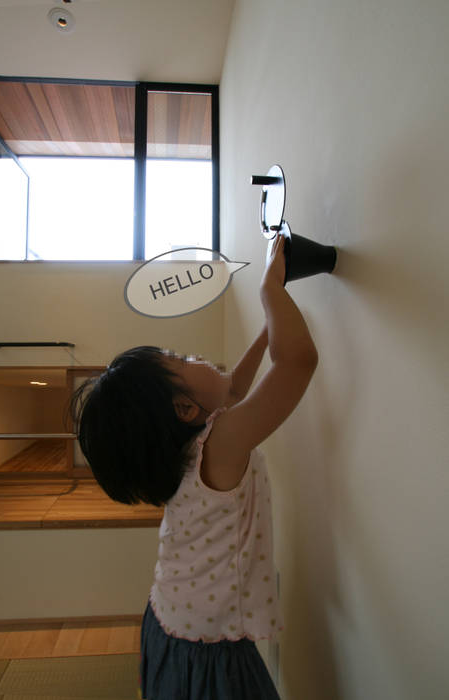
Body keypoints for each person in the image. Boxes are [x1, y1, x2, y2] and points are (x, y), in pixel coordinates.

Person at [71, 232, 318, 699]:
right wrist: (269, 292)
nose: (193, 356)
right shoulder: (220, 445)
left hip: (169, 621)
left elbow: (235, 390)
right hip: (209, 652)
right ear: (184, 410)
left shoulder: (190, 447)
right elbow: (299, 363)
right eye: (181, 359)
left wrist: (273, 316)